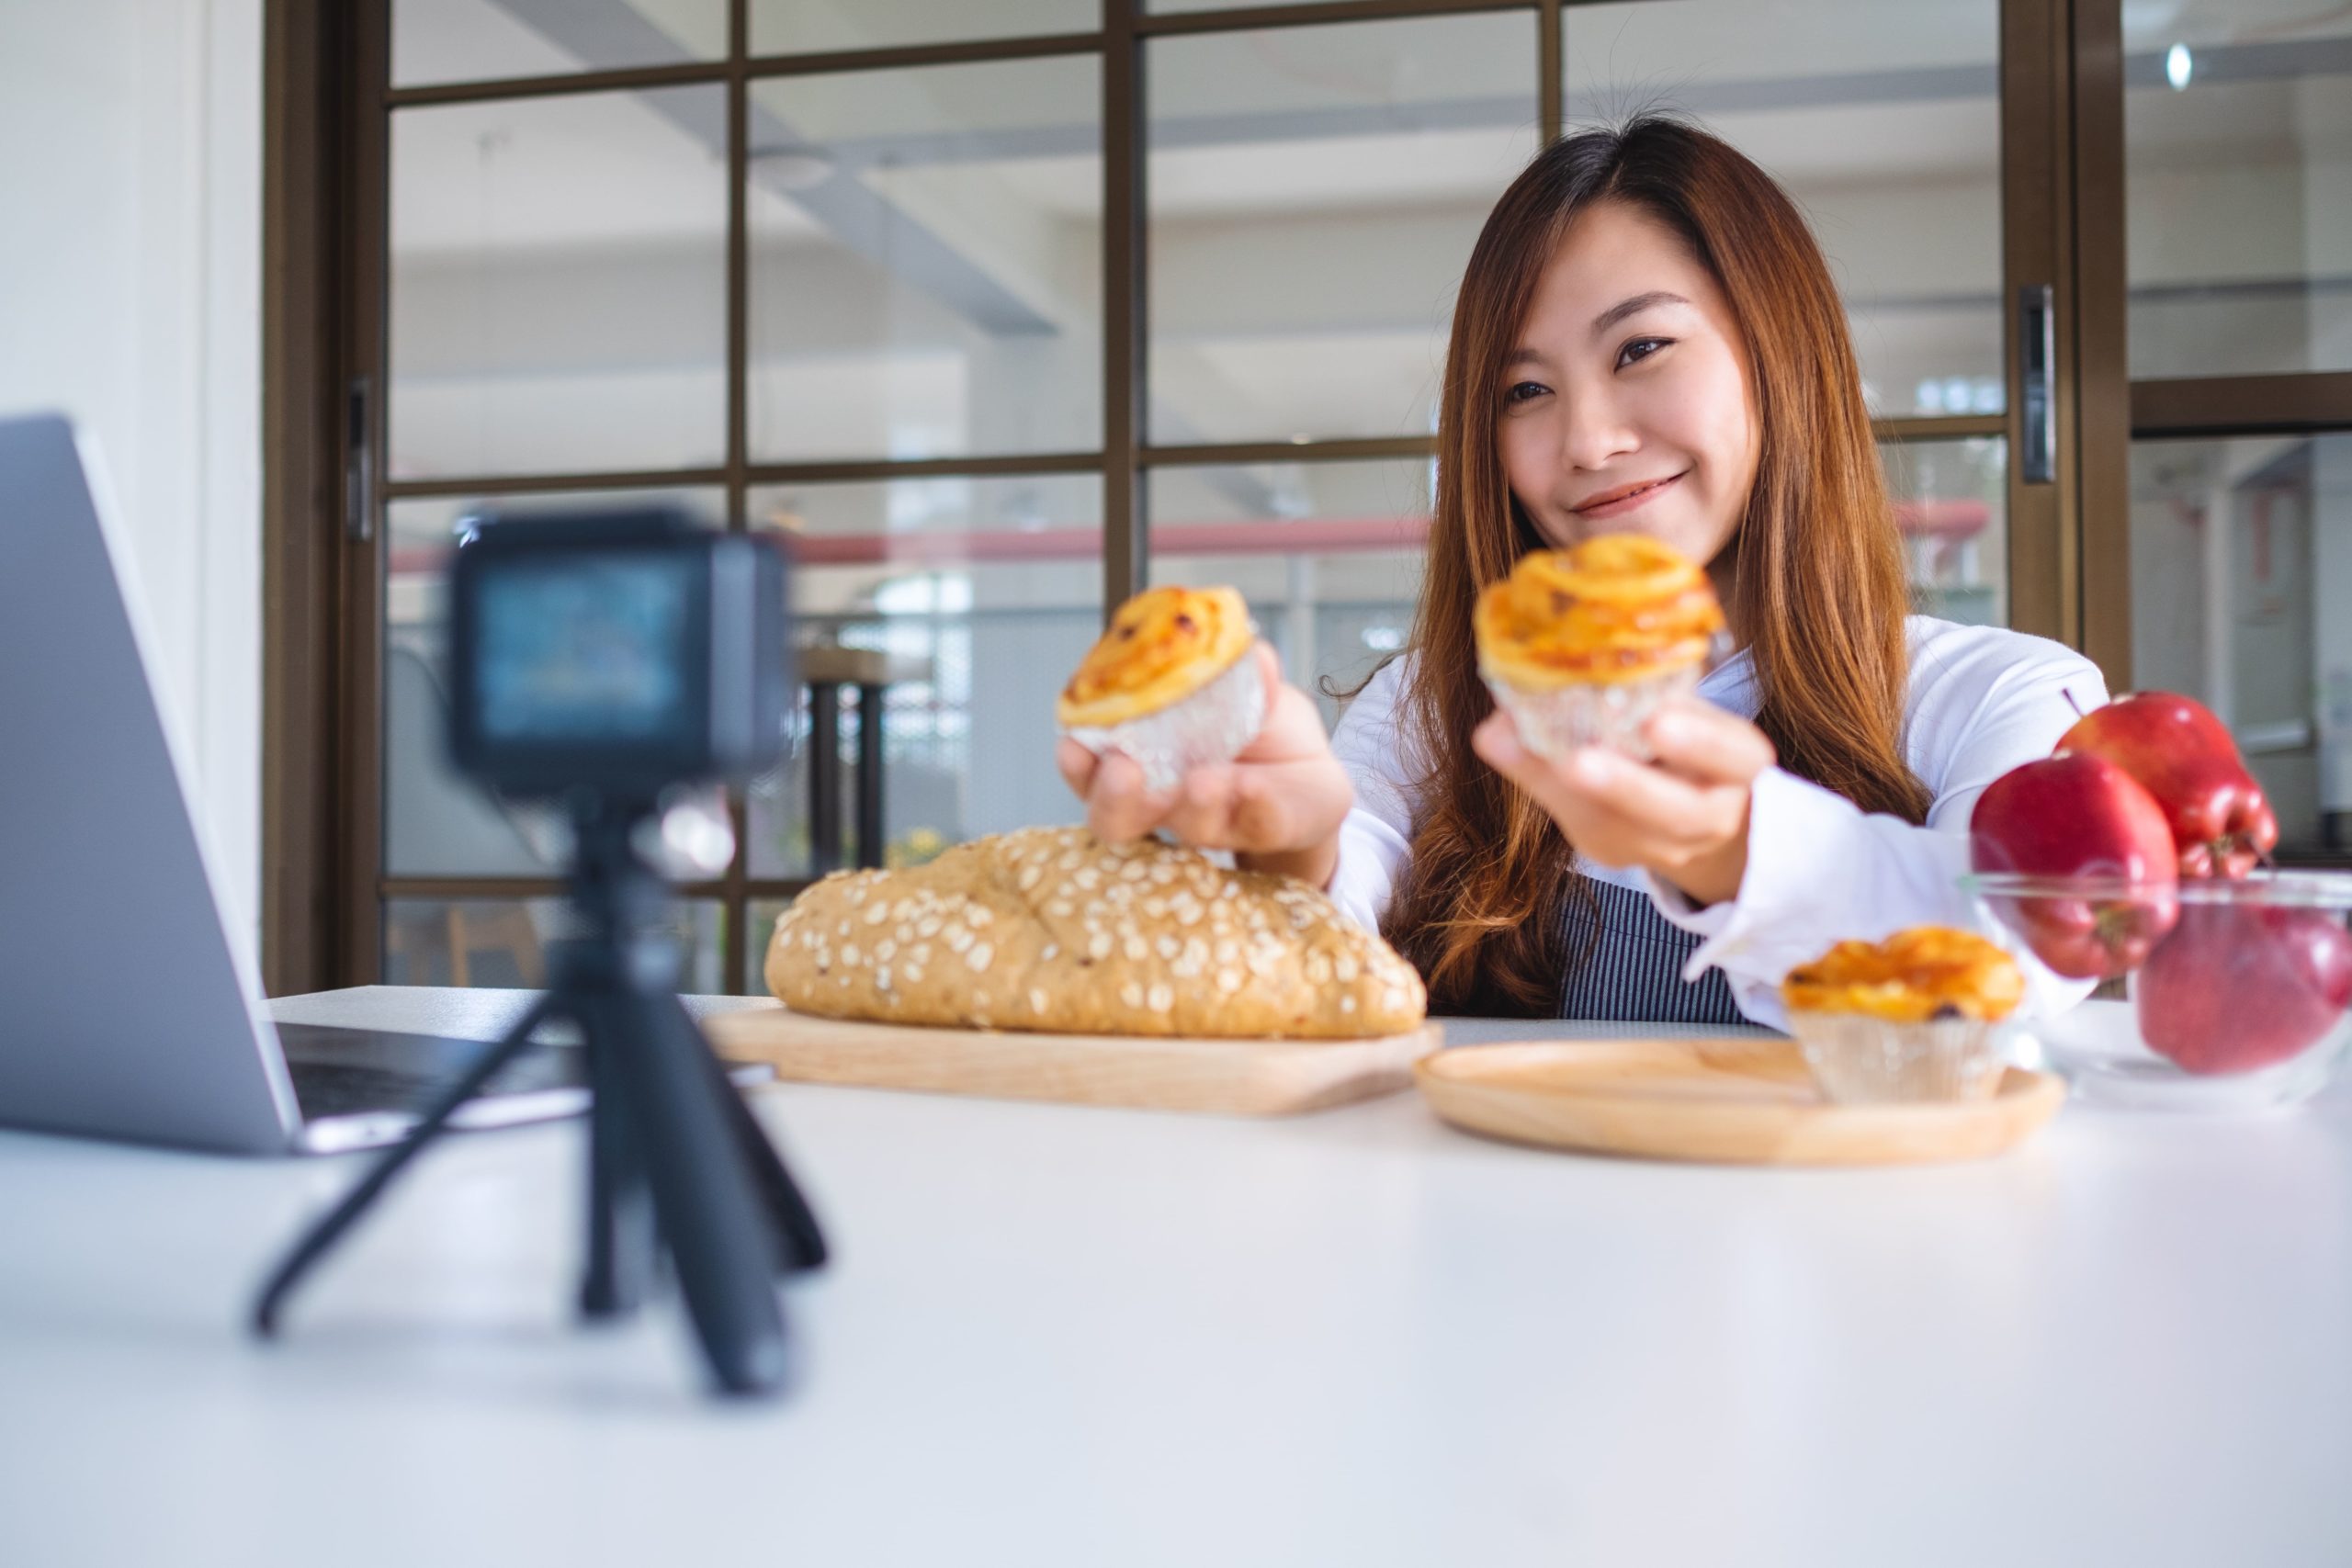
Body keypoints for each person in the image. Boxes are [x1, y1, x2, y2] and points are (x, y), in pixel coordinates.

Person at [1058, 116, 2103, 1026]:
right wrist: (1289, 862)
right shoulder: (1431, 707)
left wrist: (1739, 849)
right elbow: (1332, 927)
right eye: (1523, 391)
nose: (1586, 441)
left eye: (1640, 349)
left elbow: (2018, 955)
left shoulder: (1994, 698)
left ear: (1779, 357)